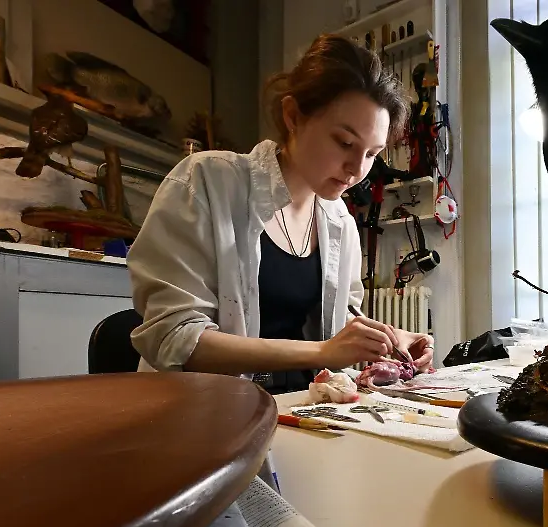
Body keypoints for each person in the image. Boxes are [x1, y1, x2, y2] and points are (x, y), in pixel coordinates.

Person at [126, 34, 434, 394]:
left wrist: (386, 337)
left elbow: (337, 322)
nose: (355, 169)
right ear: (293, 116)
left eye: (371, 154)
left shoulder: (339, 222)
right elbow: (175, 337)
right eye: (345, 143)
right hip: (207, 415)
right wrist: (321, 351)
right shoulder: (206, 181)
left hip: (303, 407)